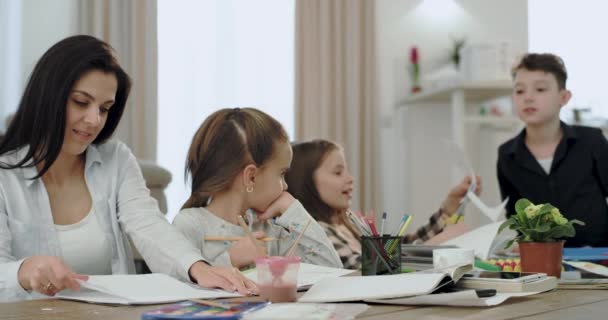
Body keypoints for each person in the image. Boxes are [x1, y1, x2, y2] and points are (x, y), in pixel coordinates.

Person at [0, 35, 255, 302]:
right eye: (81, 102)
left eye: (105, 108)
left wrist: (198, 268)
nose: (93, 120)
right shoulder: (5, 177)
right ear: (48, 96)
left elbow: (148, 224)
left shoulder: (116, 160)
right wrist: (22, 271)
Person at [173, 108, 342, 270]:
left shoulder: (268, 227)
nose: (285, 186)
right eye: (281, 174)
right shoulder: (190, 225)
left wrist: (294, 210)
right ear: (251, 177)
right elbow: (174, 288)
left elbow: (332, 271)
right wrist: (230, 260)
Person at [285, 139, 480, 269]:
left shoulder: (348, 225)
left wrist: (448, 209)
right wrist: (432, 246)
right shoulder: (315, 233)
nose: (350, 178)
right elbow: (365, 268)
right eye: (338, 173)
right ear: (305, 182)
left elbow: (400, 248)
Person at [497, 53, 608, 247]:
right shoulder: (507, 154)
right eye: (520, 91)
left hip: (599, 258)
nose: (528, 98)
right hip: (539, 264)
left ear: (564, 97)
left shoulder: (592, 141)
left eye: (540, 89)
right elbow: (515, 216)